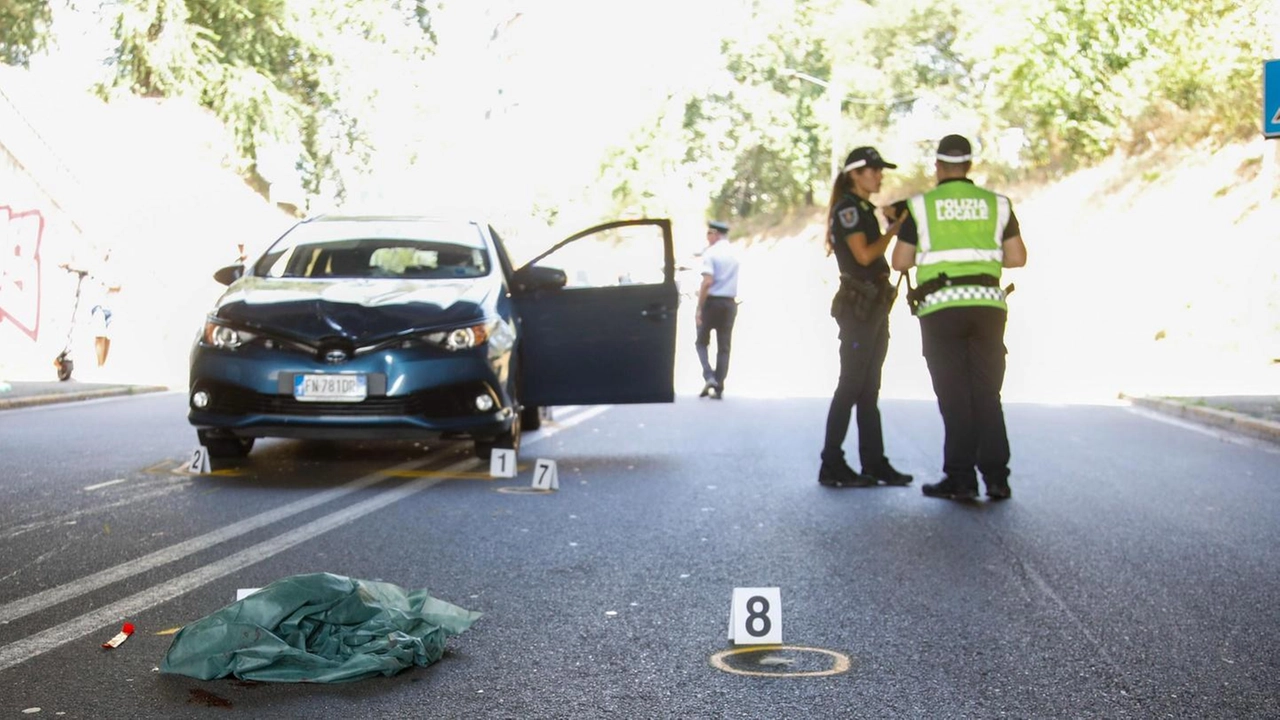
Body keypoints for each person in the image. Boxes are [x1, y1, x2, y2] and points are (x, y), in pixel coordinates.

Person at [889, 134, 1028, 501]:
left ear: (937, 166)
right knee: (987, 394)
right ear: (969, 166)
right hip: (988, 307)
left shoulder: (921, 207)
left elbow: (900, 261)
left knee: (954, 396)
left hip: (940, 310)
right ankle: (997, 479)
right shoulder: (996, 204)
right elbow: (1017, 258)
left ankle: (961, 479)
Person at [818, 147, 914, 488]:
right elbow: (863, 256)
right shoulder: (849, 210)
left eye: (879, 170)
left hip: (873, 304)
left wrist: (887, 222)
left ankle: (874, 462)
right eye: (872, 170)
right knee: (851, 385)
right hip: (860, 304)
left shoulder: (862, 209)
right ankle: (832, 461)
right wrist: (894, 230)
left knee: (868, 387)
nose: (879, 175)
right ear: (854, 175)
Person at [695, 220, 740, 399]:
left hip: (712, 303)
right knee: (724, 346)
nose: (707, 238)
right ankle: (719, 386)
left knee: (701, 342)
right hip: (729, 303)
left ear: (714, 234)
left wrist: (699, 308)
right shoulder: (735, 253)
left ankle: (709, 376)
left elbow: (707, 282)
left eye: (708, 234)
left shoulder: (711, 253)